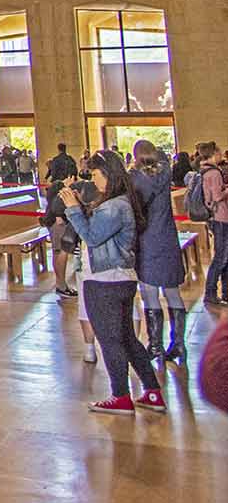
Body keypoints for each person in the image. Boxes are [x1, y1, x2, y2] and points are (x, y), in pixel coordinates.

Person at [62, 150, 166, 415]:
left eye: (96, 174)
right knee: (127, 339)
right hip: (119, 278)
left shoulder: (114, 206)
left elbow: (92, 236)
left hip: (105, 280)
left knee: (110, 340)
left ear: (108, 174)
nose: (93, 180)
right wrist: (79, 205)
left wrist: (73, 209)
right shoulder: (118, 202)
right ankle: (152, 391)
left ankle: (120, 395)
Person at [127, 140, 186, 363]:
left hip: (148, 240)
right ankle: (178, 344)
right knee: (173, 292)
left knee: (149, 293)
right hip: (168, 237)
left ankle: (155, 345)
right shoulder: (165, 172)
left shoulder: (136, 179)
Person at [199, 141, 227, 307]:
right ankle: (211, 292)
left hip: (215, 217)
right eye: (219, 153)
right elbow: (217, 196)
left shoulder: (204, 171)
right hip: (221, 216)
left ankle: (224, 291)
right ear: (213, 154)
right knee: (221, 257)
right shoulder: (214, 173)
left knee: (223, 255)